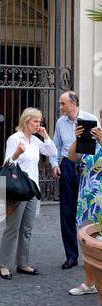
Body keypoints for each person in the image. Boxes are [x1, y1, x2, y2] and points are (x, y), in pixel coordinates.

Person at [0, 107, 57, 280]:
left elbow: (53, 152)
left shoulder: (36, 141)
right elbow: (6, 164)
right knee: (12, 228)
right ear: (26, 121)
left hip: (33, 189)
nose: (39, 124)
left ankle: (22, 263)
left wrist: (45, 135)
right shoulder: (14, 139)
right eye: (36, 122)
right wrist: (16, 154)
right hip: (18, 189)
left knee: (27, 229)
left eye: (40, 122)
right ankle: (3, 265)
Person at [50, 91, 100, 270]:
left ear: (73, 103)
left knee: (89, 210)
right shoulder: (60, 122)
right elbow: (55, 146)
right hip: (68, 165)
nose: (61, 107)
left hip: (88, 166)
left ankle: (93, 252)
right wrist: (55, 164)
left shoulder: (91, 118)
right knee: (67, 212)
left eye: (63, 103)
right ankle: (71, 255)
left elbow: (99, 145)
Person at [67, 123, 102, 295]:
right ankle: (90, 283)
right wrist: (77, 139)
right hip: (87, 199)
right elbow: (72, 157)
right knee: (87, 241)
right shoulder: (92, 141)